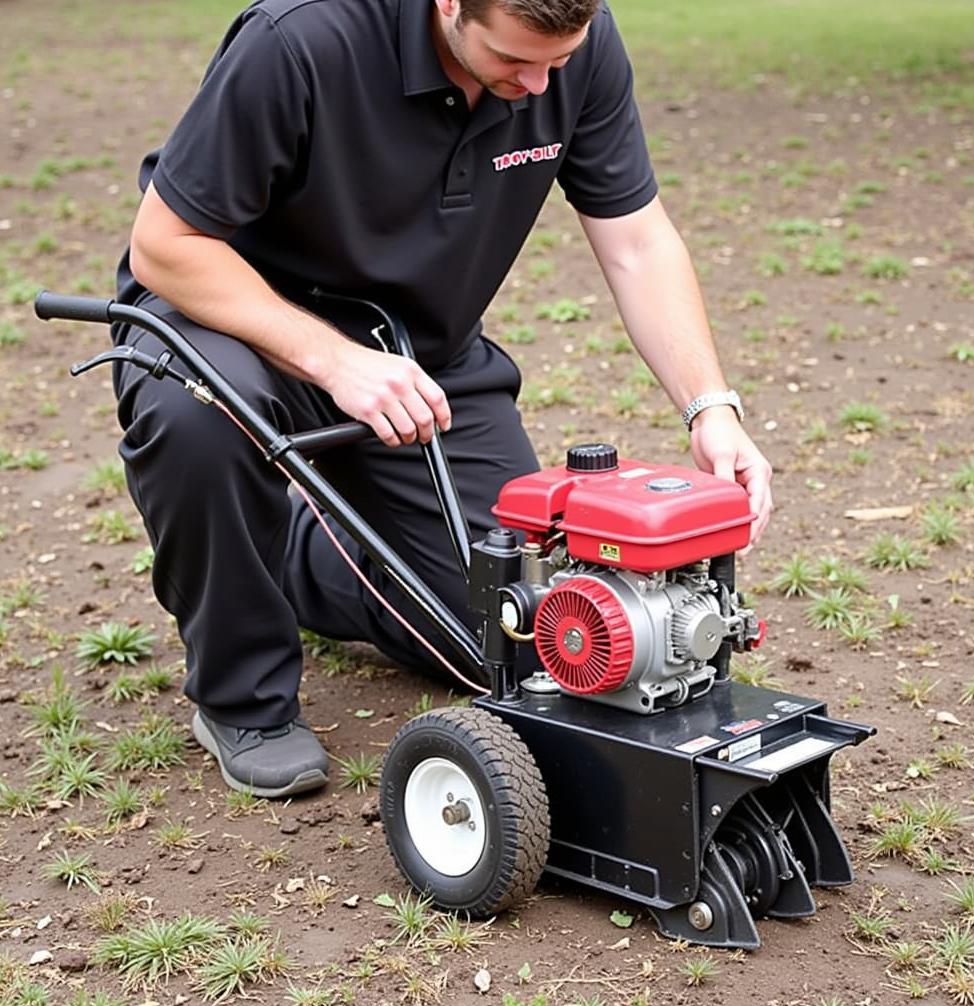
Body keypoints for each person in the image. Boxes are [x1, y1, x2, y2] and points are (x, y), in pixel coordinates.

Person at [113, 0, 773, 798]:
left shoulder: (574, 47)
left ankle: (280, 556)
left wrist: (713, 408)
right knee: (195, 418)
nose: (535, 87)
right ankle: (242, 701)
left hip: (420, 353)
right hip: (229, 321)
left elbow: (636, 241)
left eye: (555, 65)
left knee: (504, 643)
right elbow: (165, 245)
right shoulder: (298, 41)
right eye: (514, 59)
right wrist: (335, 362)